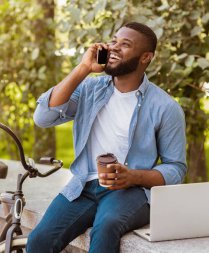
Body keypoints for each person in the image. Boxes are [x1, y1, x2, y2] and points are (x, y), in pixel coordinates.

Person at [27, 22, 187, 253]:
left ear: (145, 57)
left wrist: (133, 176)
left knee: (107, 226)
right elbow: (44, 117)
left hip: (130, 191)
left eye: (125, 45)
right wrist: (83, 68)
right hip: (82, 185)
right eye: (114, 41)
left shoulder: (165, 107)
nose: (114, 48)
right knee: (39, 240)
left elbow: (176, 168)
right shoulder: (89, 89)